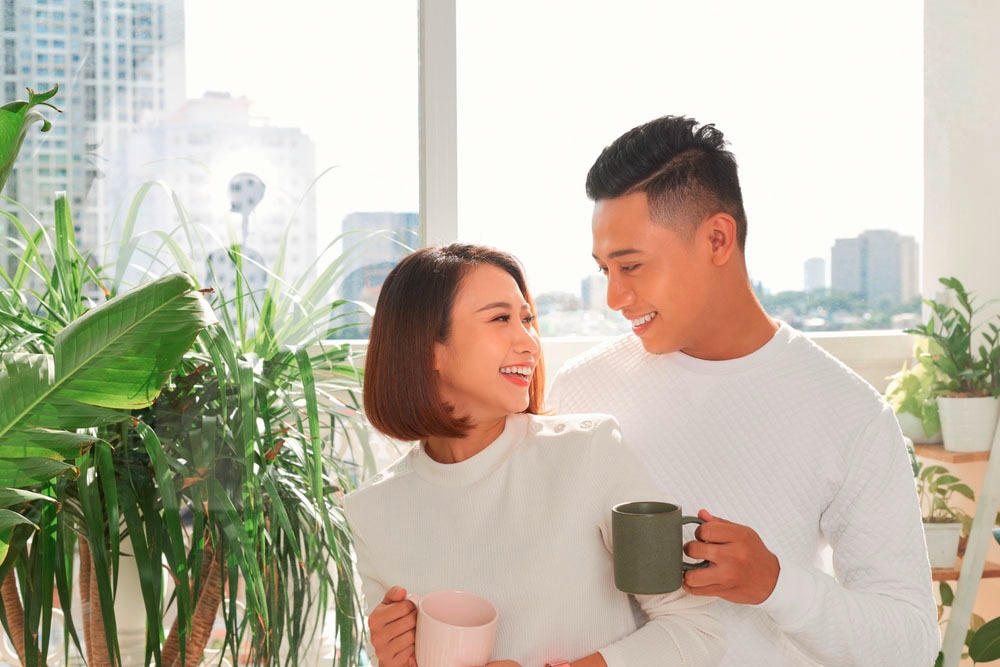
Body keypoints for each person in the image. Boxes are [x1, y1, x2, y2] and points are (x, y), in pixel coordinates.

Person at [547, 115, 940, 667]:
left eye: (631, 265)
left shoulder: (848, 412)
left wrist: (776, 584)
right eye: (604, 269)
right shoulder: (582, 389)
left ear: (717, 238)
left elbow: (911, 645)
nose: (614, 297)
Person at [343, 243, 725, 667]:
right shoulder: (373, 511)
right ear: (428, 348)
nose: (530, 343)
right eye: (501, 319)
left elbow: (696, 630)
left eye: (527, 319)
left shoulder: (587, 452)